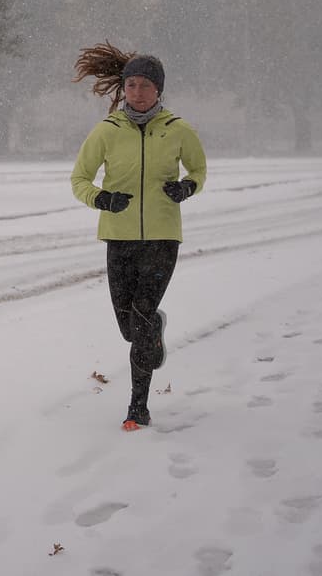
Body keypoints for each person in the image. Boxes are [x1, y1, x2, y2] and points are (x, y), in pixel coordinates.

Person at [70, 42, 207, 432]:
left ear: (158, 90)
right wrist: (101, 198)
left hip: (163, 237)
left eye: (145, 85)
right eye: (131, 85)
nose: (137, 92)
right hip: (119, 237)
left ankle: (138, 407)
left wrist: (186, 188)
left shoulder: (178, 129)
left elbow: (198, 170)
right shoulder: (107, 131)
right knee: (129, 326)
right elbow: (79, 178)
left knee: (142, 319)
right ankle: (152, 335)